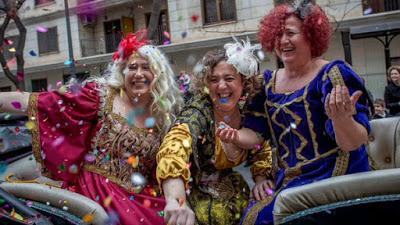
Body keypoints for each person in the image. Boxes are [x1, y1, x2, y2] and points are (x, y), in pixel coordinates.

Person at [0, 31, 183, 225]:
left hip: (140, 198)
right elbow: (37, 102)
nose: (138, 74)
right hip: (95, 195)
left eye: (146, 67)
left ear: (158, 73)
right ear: (123, 72)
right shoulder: (100, 96)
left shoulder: (165, 117)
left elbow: (167, 170)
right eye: (132, 67)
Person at [216, 2, 371, 225]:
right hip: (289, 181)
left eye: (290, 33)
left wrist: (342, 119)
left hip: (335, 176)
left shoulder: (332, 75)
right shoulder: (267, 84)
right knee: (253, 218)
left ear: (310, 35)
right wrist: (236, 136)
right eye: (278, 34)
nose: (283, 40)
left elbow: (353, 142)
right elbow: (255, 134)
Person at [156, 38, 272, 225]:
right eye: (214, 79)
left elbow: (260, 145)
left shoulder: (248, 111)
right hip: (195, 192)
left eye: (229, 78)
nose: (221, 86)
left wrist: (261, 179)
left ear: (243, 83)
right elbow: (175, 144)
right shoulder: (199, 110)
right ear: (206, 84)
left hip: (236, 188)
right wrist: (176, 200)